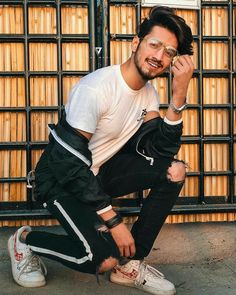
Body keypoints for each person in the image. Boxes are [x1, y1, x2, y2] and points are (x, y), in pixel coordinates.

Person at [8, 6, 194, 295]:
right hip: (60, 181)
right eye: (154, 44)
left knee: (174, 170)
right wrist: (113, 219)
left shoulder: (149, 94)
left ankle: (130, 265)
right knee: (101, 258)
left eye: (169, 52)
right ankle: (26, 241)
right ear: (136, 43)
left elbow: (160, 151)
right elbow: (67, 162)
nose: (159, 56)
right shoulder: (96, 88)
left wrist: (179, 96)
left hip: (97, 176)